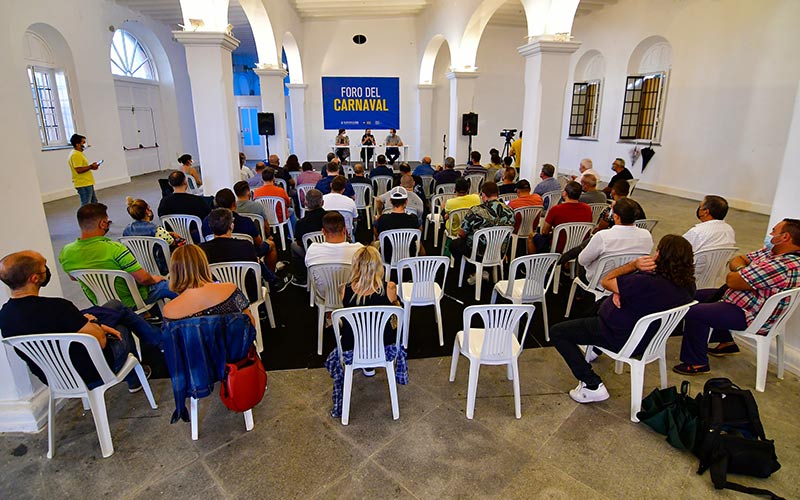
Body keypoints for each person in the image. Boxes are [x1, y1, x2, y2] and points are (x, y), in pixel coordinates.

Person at [550, 234, 696, 403]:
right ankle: (594, 349)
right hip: (650, 339)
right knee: (602, 302)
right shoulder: (688, 286)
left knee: (558, 332)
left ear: (660, 256)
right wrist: (619, 292)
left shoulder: (643, 282)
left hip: (619, 336)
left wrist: (633, 265)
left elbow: (606, 280)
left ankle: (592, 384)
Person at [0, 250, 160, 392]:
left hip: (55, 379)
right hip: (93, 372)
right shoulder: (58, 307)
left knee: (115, 306)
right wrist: (95, 323)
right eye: (44, 267)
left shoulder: (4, 316)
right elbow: (101, 341)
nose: (47, 270)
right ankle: (136, 375)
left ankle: (154, 340)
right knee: (120, 324)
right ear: (34, 278)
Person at [674, 218, 800, 375]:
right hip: (742, 300)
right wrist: (743, 271)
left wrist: (741, 274)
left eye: (773, 231)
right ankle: (726, 341)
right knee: (691, 295)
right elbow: (737, 260)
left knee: (695, 312)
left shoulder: (782, 266)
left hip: (751, 314)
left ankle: (696, 363)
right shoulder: (772, 252)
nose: (769, 235)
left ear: (785, 237)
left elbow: (732, 280)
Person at [323, 246, 407, 417]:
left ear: (355, 266)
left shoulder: (344, 290)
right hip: (384, 348)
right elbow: (398, 314)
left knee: (349, 334)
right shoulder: (390, 288)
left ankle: (364, 368)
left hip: (352, 349)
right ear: (379, 266)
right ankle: (373, 366)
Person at [59, 203, 178, 309]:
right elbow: (143, 279)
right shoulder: (115, 249)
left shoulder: (66, 252)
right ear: (102, 224)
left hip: (102, 304)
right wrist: (154, 279)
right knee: (172, 285)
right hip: (132, 300)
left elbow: (74, 277)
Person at [162, 244, 255, 327]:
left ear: (174, 272)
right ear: (204, 265)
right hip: (236, 345)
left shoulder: (169, 312)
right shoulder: (230, 290)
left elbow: (174, 345)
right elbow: (251, 324)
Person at [450, 182, 514, 283]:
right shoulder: (510, 211)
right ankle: (486, 271)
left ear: (483, 195)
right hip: (499, 251)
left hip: (478, 253)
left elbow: (461, 233)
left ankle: (473, 272)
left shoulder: (476, 210)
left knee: (454, 244)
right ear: (497, 193)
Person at [577, 198, 654, 283]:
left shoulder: (603, 236)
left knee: (580, 257)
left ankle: (579, 293)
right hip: (628, 281)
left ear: (616, 216)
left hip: (599, 282)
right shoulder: (647, 235)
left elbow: (582, 260)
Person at [529, 181, 592, 254]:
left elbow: (544, 232)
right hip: (579, 247)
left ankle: (535, 263)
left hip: (559, 247)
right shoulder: (587, 208)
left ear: (565, 193)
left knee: (531, 237)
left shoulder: (556, 209)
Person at [123, 197, 180, 274]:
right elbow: (171, 242)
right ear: (147, 211)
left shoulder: (126, 231)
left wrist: (167, 233)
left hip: (140, 267)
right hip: (161, 267)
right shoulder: (156, 229)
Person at [374, 186, 424, 262]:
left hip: (387, 257)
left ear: (390, 201)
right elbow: (419, 232)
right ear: (406, 201)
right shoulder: (413, 219)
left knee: (373, 244)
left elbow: (377, 233)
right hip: (410, 255)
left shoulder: (383, 219)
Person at [291, 189, 326, 287]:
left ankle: (302, 278)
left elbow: (299, 243)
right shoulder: (331, 218)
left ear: (306, 203)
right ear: (322, 203)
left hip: (311, 254)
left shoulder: (300, 223)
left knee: (293, 246)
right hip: (331, 250)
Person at [67, 133, 100, 206]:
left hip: (87, 182)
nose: (85, 144)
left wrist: (92, 166)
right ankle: (84, 217)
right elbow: (78, 170)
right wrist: (91, 166)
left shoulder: (78, 153)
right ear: (77, 144)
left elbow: (82, 167)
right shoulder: (75, 155)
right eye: (83, 142)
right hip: (83, 183)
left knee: (94, 202)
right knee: (86, 204)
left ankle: (95, 217)